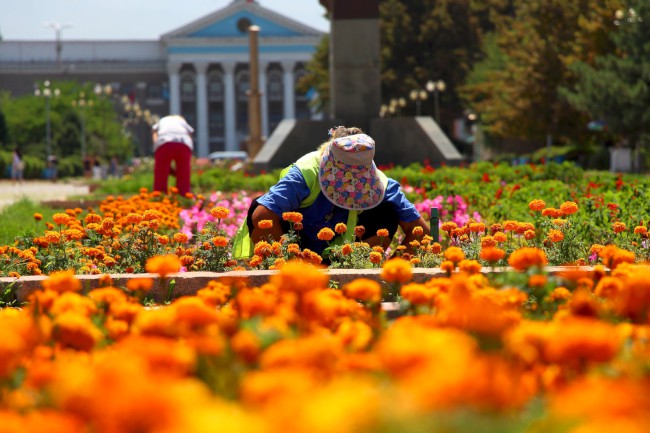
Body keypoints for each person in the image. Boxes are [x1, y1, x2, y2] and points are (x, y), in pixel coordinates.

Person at [233, 126, 430, 259]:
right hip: (298, 250)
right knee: (260, 208)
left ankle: (357, 271)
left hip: (346, 256)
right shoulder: (307, 171)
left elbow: (421, 232)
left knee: (387, 211)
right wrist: (291, 265)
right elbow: (261, 216)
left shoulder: (382, 184)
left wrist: (391, 270)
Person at [151, 115, 194, 196]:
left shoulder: (163, 120)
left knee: (161, 174)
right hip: (183, 142)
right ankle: (184, 197)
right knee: (184, 174)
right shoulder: (182, 121)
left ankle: (159, 197)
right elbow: (190, 134)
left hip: (164, 141)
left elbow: (154, 131)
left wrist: (156, 146)